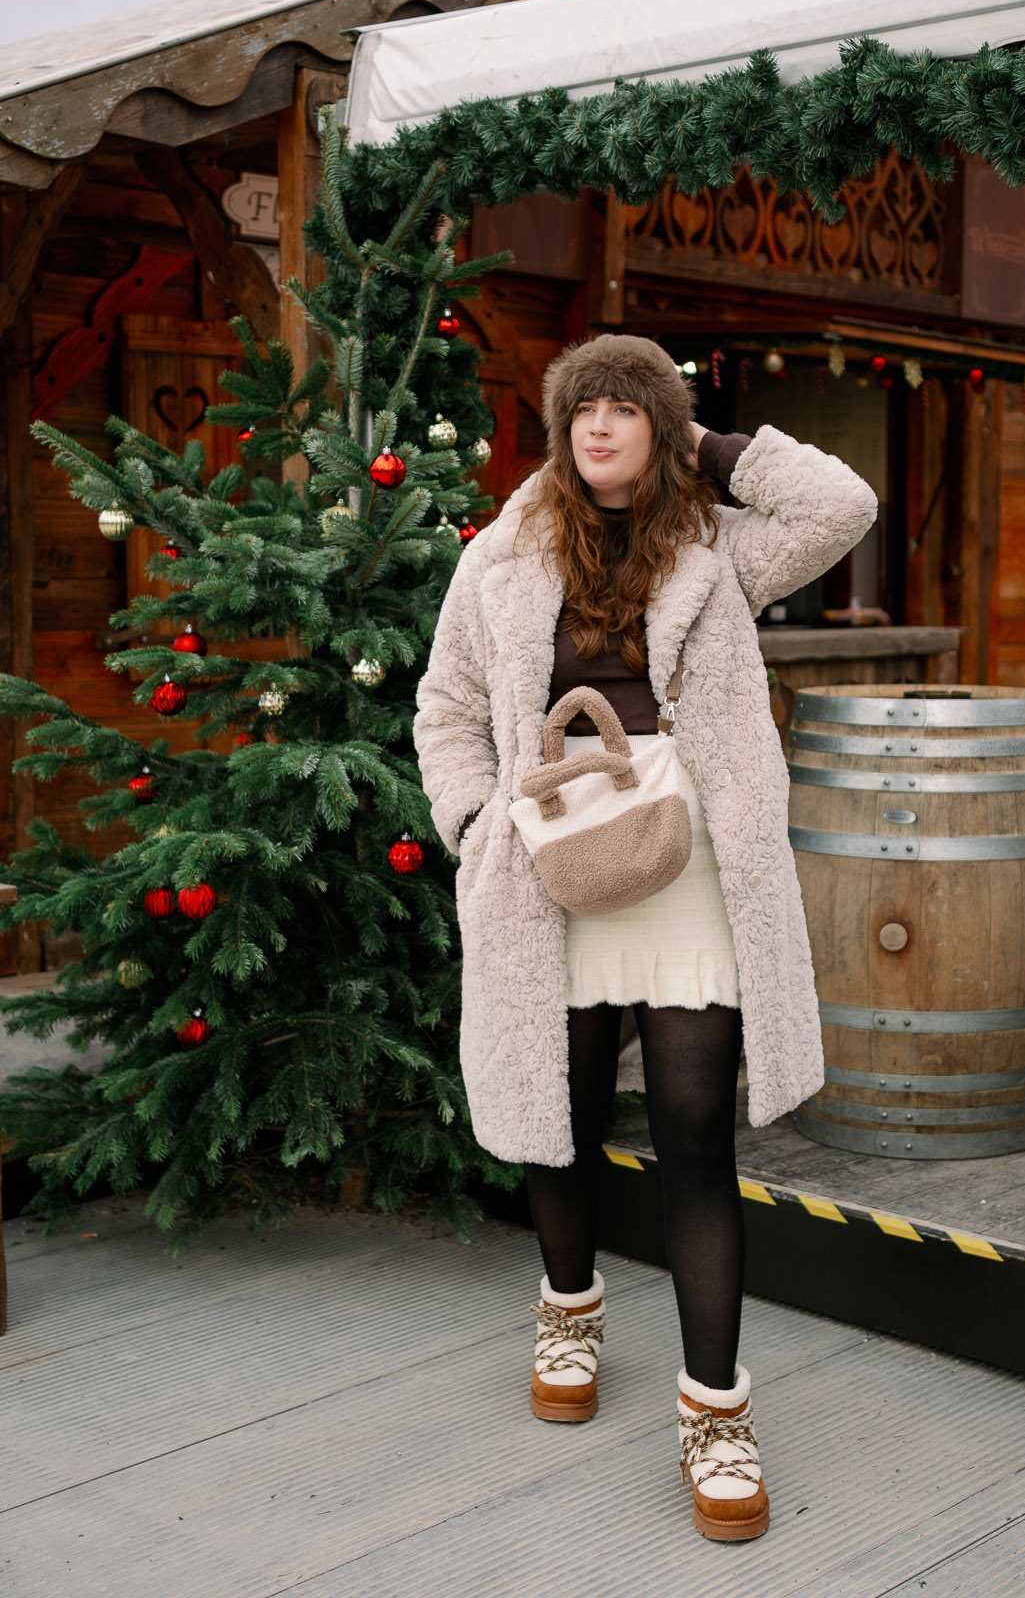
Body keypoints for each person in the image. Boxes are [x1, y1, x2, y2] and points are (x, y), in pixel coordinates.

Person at [413, 333, 878, 1542]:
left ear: (658, 431)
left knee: (692, 1137)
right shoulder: (501, 559)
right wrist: (476, 823)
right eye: (587, 409)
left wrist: (710, 443)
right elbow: (448, 706)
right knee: (555, 1117)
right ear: (562, 429)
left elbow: (842, 503)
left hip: (692, 866)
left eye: (630, 408)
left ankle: (715, 1411)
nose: (604, 426)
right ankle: (569, 1303)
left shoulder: (718, 548)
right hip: (545, 861)